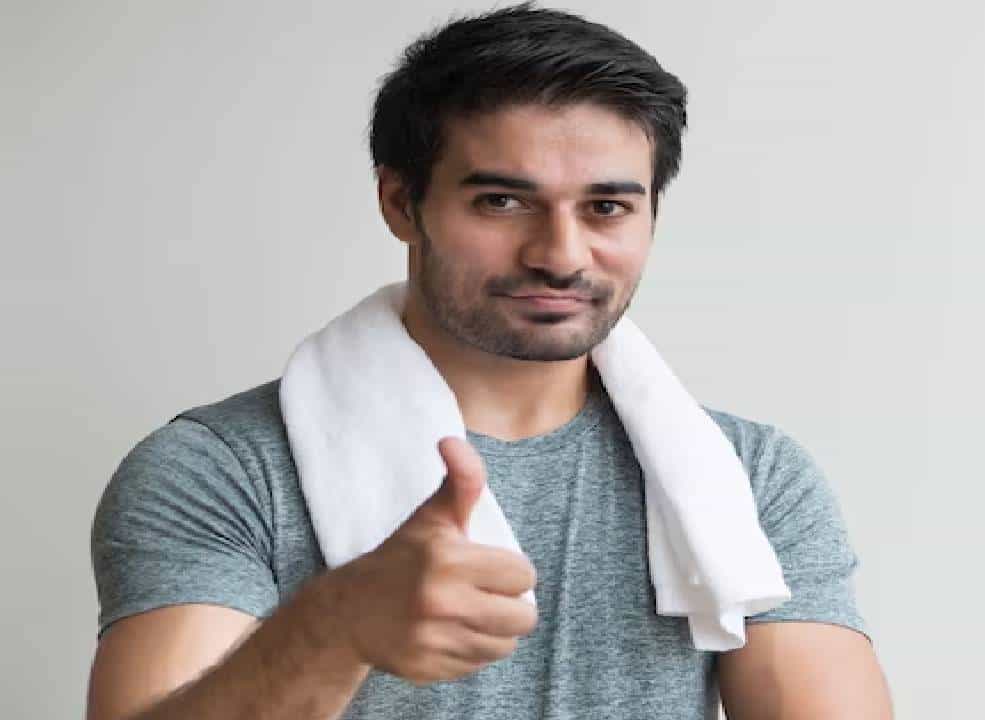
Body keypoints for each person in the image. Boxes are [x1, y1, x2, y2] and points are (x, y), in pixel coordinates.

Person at [86, 3, 893, 719]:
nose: (560, 255)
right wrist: (334, 627)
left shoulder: (750, 478)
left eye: (606, 207)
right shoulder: (222, 468)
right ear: (401, 203)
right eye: (502, 202)